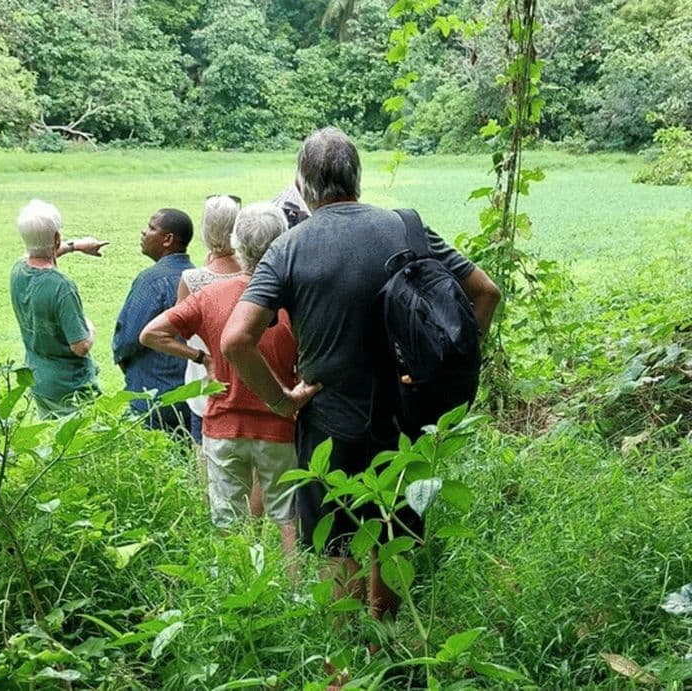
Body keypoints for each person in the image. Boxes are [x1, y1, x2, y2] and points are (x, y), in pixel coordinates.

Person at [221, 127, 501, 620]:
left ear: (303, 186)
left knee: (338, 546)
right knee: (392, 539)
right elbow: (487, 293)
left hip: (330, 427)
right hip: (409, 420)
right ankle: (385, 641)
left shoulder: (288, 247)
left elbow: (235, 340)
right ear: (358, 177)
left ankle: (349, 656)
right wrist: (447, 367)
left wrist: (283, 401)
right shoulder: (407, 227)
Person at [139, 203, 304, 556]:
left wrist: (201, 356)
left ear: (237, 245)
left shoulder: (211, 295)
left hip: (223, 427)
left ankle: (239, 594)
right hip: (279, 428)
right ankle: (296, 596)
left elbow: (151, 334)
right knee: (288, 519)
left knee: (229, 522)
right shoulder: (294, 301)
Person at [10, 198, 108, 419]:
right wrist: (89, 328)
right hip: (70, 388)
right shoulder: (61, 287)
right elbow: (80, 346)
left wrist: (75, 246)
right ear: (56, 237)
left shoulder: (17, 270)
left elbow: (37, 255)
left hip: (39, 380)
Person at [112, 208, 195, 432]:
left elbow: (126, 340)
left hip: (153, 395)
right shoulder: (197, 276)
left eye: (151, 228)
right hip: (192, 394)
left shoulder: (150, 281)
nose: (143, 232)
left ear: (167, 240)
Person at [177, 195, 243, 444]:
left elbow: (179, 330)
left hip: (205, 383)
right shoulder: (256, 272)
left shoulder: (192, 279)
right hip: (247, 383)